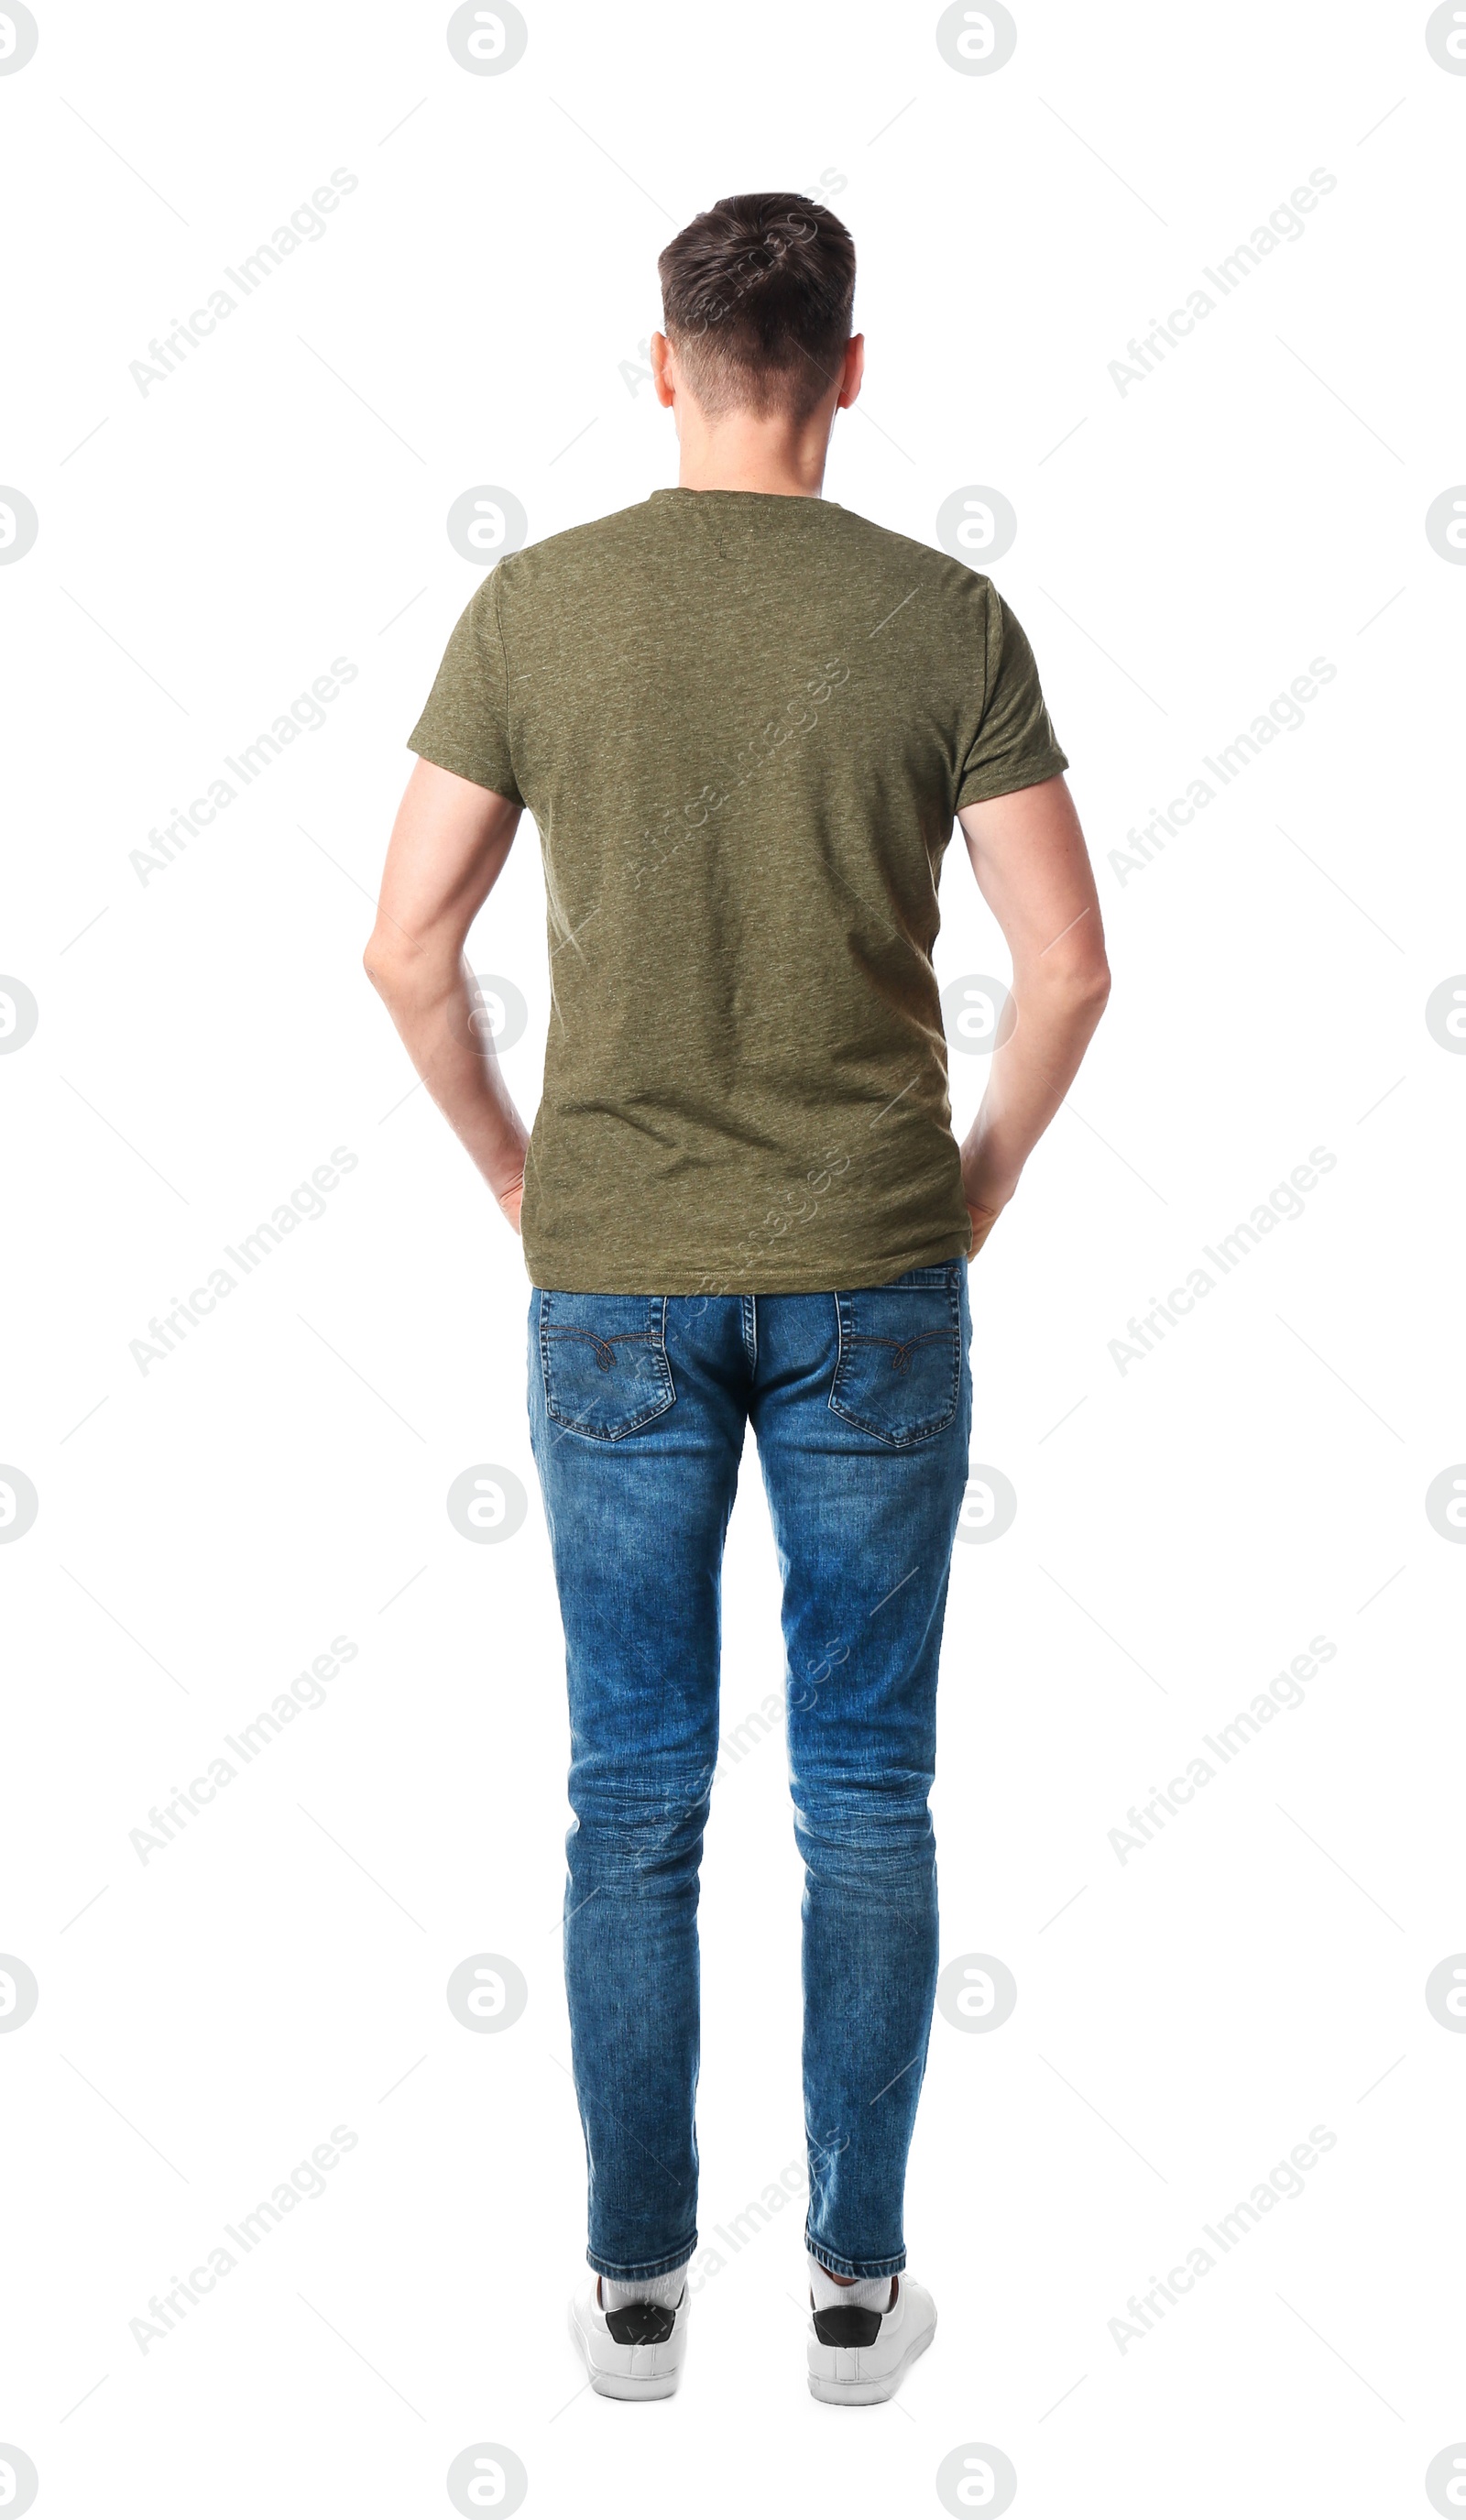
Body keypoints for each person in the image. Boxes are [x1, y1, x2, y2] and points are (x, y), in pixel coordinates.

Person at [365, 192, 1110, 2406]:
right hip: (876, 1260)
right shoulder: (942, 616)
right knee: (866, 1789)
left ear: (663, 361)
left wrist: (524, 1171)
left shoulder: (535, 605)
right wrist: (966, 1187)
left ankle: (628, 2289)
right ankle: (857, 2292)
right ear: (849, 371)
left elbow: (404, 945)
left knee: (630, 1791)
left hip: (610, 1270)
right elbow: (1065, 964)